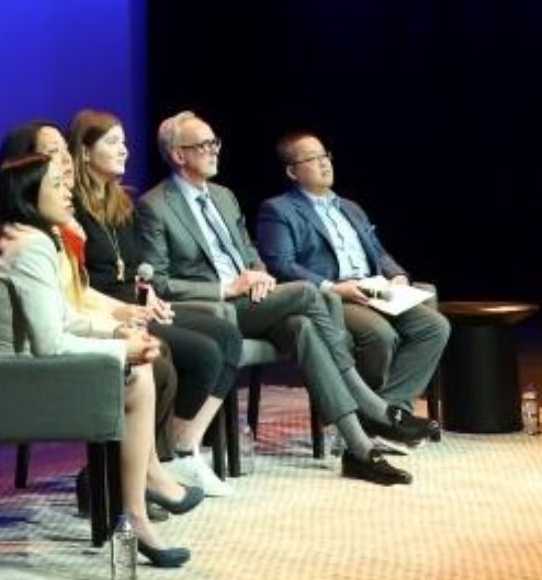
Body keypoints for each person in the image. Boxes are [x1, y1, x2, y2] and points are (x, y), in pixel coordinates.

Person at [135, 111, 431, 486]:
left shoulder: (224, 197)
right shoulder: (155, 205)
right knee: (310, 293)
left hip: (254, 299)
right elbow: (157, 282)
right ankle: (371, 405)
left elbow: (249, 252)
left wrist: (256, 274)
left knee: (303, 327)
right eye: (204, 145)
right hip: (213, 309)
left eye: (215, 143)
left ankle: (359, 450)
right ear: (178, 155)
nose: (214, 151)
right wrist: (228, 288)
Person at [0, 151, 192, 566]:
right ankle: (135, 513)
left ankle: (138, 499)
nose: (69, 192)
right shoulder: (30, 246)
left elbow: (61, 315)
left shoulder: (16, 235)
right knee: (137, 376)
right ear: (30, 195)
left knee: (137, 365)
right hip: (6, 389)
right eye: (57, 185)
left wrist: (116, 331)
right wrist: (124, 350)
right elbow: (50, 344)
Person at [71, 109, 244, 498]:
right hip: (107, 312)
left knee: (225, 334)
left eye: (125, 142)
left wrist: (153, 298)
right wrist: (128, 308)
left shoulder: (120, 203)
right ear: (84, 152)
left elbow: (137, 271)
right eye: (112, 142)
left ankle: (174, 452)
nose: (125, 150)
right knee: (197, 353)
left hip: (139, 305)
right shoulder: (72, 209)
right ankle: (141, 467)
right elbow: (79, 285)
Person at [256, 133, 448, 423]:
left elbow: (378, 253)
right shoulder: (278, 209)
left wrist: (396, 275)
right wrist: (335, 288)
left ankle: (388, 411)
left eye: (325, 156)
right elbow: (280, 264)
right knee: (380, 335)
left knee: (434, 326)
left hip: (374, 290)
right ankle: (374, 415)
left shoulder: (350, 207)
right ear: (292, 171)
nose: (324, 164)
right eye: (312, 159)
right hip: (331, 296)